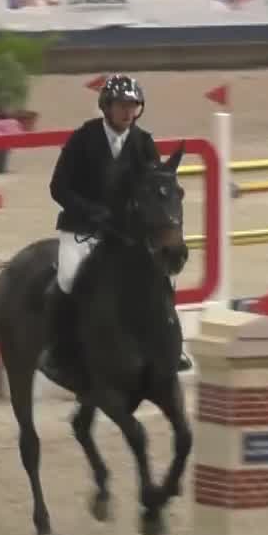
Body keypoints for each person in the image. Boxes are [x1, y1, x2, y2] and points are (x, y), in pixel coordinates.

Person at [42, 74, 191, 390]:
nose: (128, 112)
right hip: (82, 227)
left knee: (163, 274)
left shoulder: (143, 142)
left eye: (133, 106)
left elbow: (155, 188)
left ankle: (171, 346)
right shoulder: (83, 138)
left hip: (125, 232)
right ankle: (58, 350)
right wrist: (90, 210)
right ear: (107, 107)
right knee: (67, 277)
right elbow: (58, 187)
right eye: (122, 105)